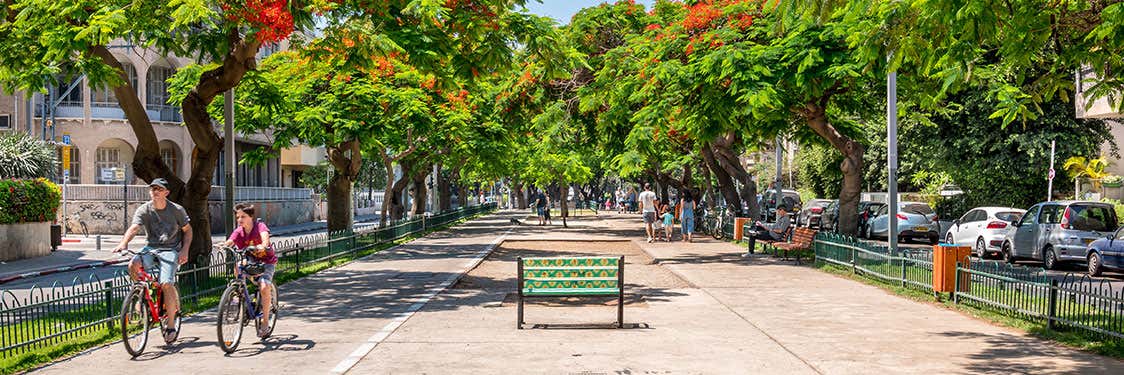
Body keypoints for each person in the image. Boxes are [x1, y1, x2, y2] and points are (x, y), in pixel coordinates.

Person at [112, 178, 192, 342]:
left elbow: (188, 231)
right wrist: (124, 243)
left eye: (159, 189)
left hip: (170, 250)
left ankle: (170, 325)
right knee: (133, 263)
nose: (155, 191)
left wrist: (184, 250)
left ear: (166, 193)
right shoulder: (144, 209)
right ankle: (138, 293)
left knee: (166, 283)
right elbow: (134, 228)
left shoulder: (176, 210)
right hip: (151, 248)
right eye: (152, 189)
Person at [219, 203, 278, 338]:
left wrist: (262, 246)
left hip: (266, 262)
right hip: (250, 260)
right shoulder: (239, 231)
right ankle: (239, 292)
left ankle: (264, 322)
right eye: (237, 217)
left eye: (243, 217)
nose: (239, 220)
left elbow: (265, 240)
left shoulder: (260, 227)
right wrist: (224, 245)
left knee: (264, 287)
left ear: (251, 217)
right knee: (238, 265)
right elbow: (231, 240)